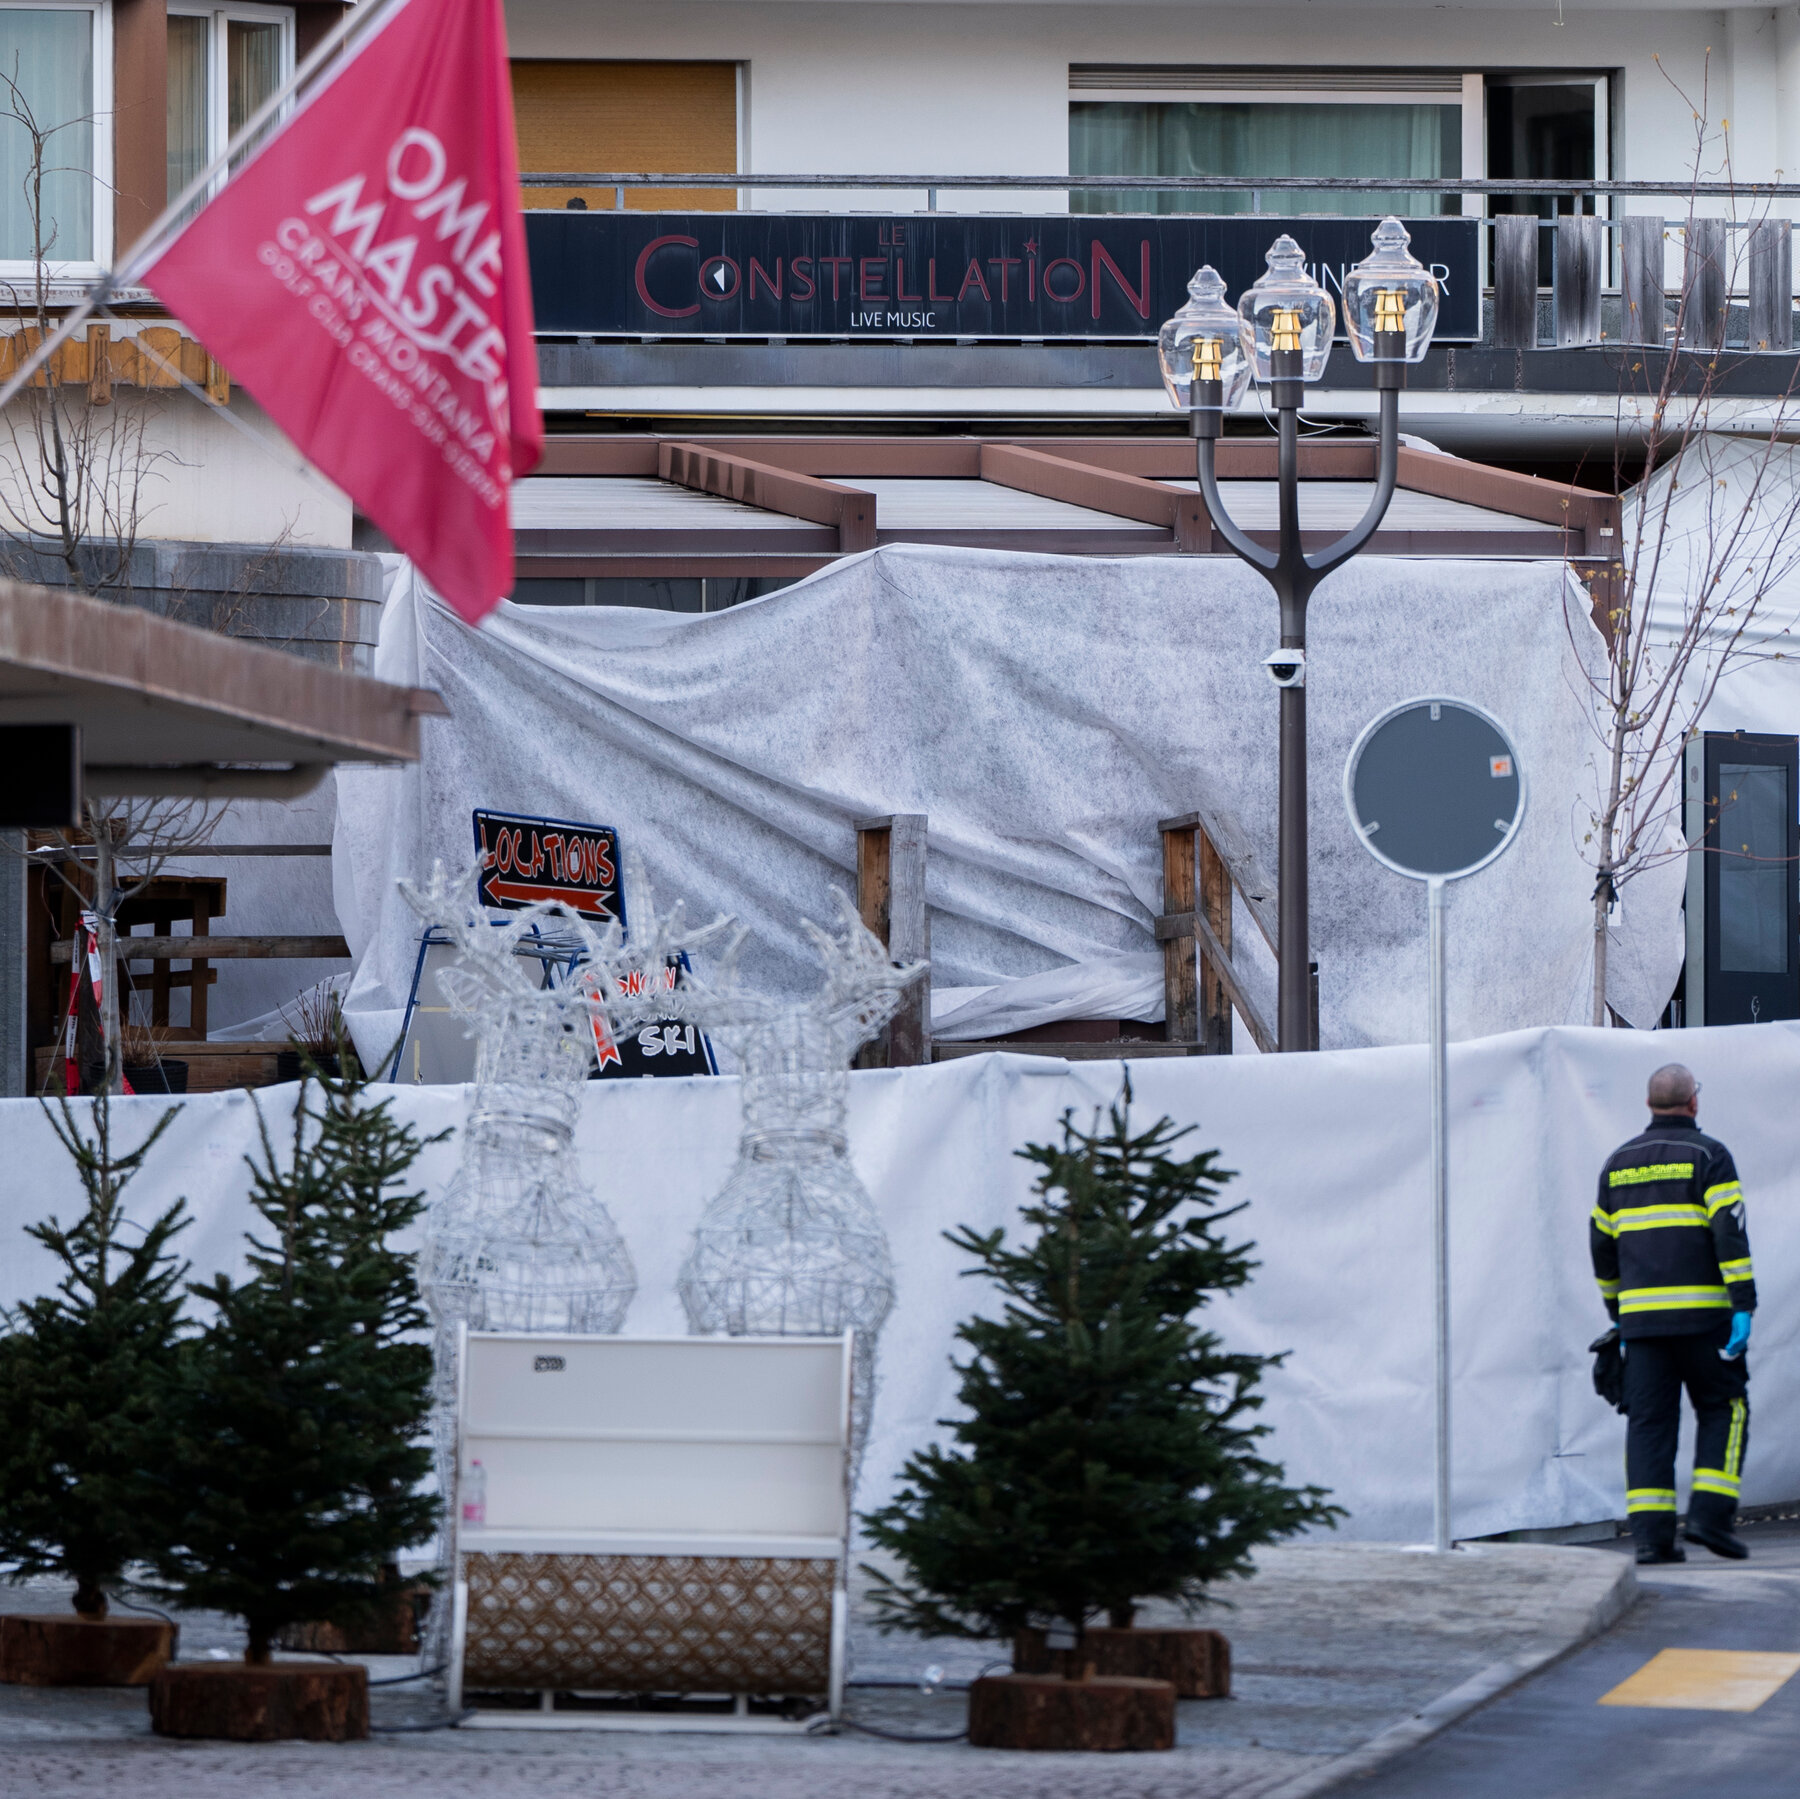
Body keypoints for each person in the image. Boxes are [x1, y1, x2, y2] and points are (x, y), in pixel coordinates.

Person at [1591, 1063, 1754, 1564]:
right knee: (1725, 1409)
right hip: (1705, 1321)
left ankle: (1652, 1540)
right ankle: (1708, 1517)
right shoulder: (1709, 1156)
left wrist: (1619, 1314)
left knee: (1648, 1425)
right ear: (1693, 1103)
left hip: (1642, 1329)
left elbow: (1602, 1248)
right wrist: (1743, 1304)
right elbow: (1729, 1234)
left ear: (1648, 1105)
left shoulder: (1617, 1164)